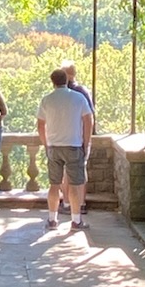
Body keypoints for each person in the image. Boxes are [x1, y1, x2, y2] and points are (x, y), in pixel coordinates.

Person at [36, 66, 93, 232]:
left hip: (54, 146)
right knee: (74, 185)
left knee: (54, 185)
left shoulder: (47, 100)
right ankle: (76, 221)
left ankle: (52, 219)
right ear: (66, 80)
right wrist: (86, 143)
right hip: (74, 145)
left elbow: (40, 124)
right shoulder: (78, 98)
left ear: (52, 82)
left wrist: (46, 143)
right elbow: (88, 120)